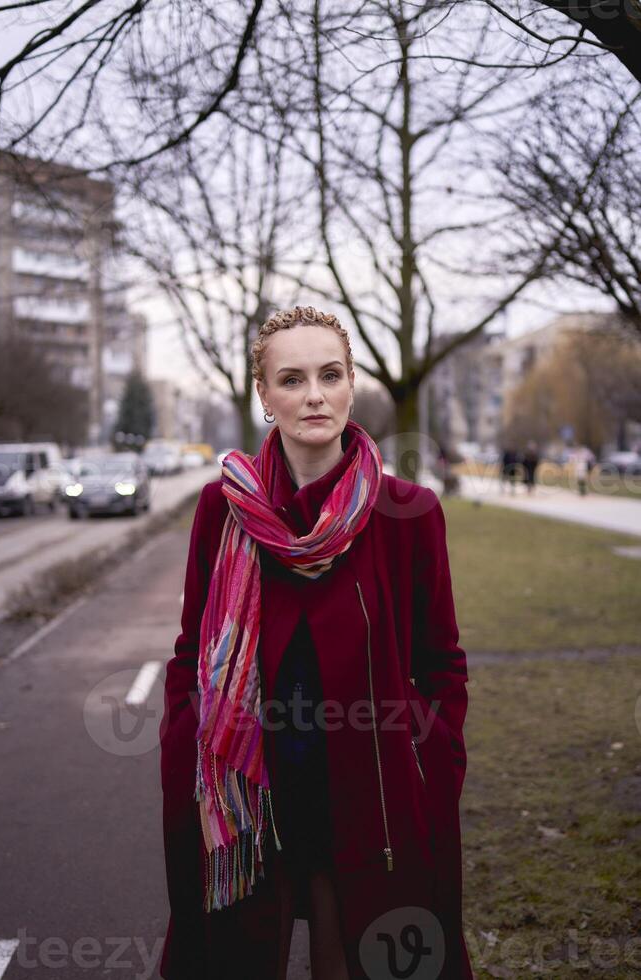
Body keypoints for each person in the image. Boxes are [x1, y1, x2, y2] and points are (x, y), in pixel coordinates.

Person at [159, 305, 473, 980]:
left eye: (330, 374)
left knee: (361, 961)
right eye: (292, 379)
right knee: (241, 961)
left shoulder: (408, 514)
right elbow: (191, 650)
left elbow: (443, 663)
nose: (314, 395)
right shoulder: (223, 509)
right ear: (265, 397)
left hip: (365, 794)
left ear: (352, 382)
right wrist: (183, 732)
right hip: (247, 788)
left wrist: (431, 755)